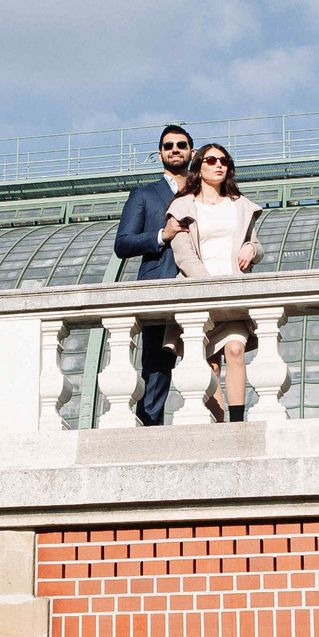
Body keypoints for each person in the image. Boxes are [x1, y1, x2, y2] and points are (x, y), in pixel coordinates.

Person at [167, 143, 263, 422]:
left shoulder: (240, 205)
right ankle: (222, 425)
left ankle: (236, 421)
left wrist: (252, 250)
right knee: (209, 367)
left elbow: (255, 244)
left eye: (224, 161)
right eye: (211, 160)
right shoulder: (183, 206)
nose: (219, 165)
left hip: (235, 293)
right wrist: (209, 288)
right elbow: (183, 255)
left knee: (235, 349)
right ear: (198, 167)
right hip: (200, 293)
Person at [112, 124, 192, 425]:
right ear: (160, 153)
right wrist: (162, 234)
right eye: (169, 145)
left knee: (210, 360)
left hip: (200, 284)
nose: (175, 149)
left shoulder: (205, 194)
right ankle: (149, 430)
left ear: (191, 152)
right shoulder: (144, 195)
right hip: (159, 286)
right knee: (157, 368)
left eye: (181, 145)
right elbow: (123, 243)